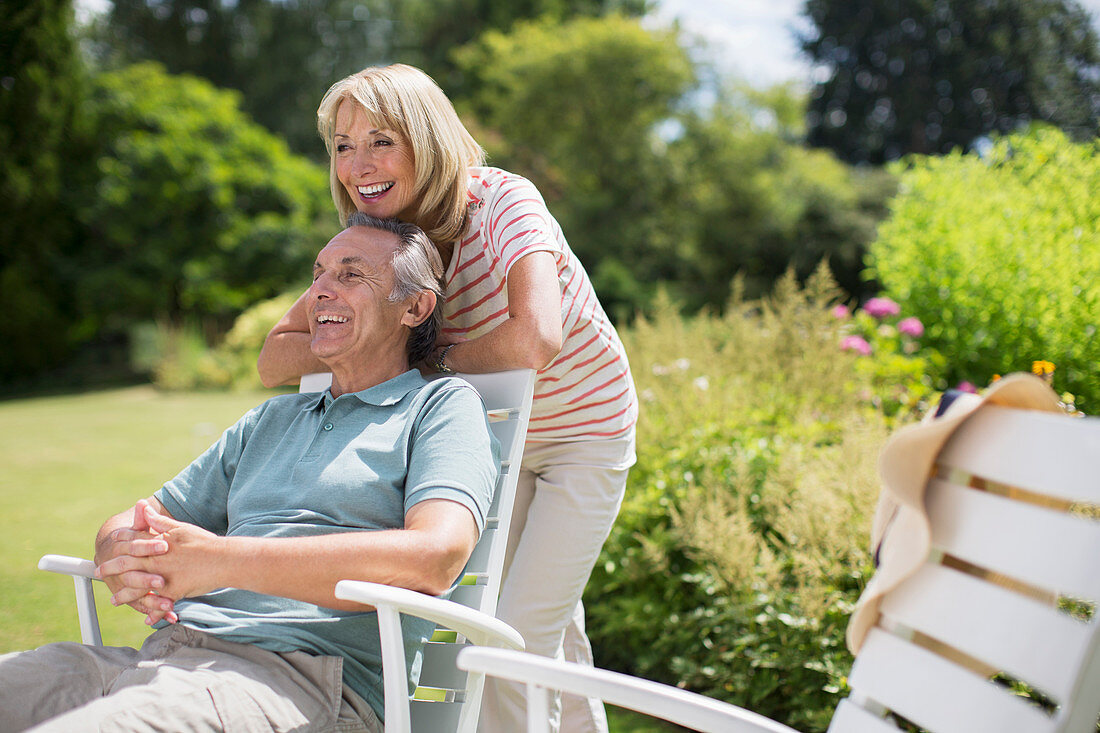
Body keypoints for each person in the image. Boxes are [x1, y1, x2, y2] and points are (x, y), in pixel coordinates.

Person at [0, 215, 500, 732]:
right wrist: (124, 553)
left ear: (415, 307)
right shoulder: (273, 418)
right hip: (160, 660)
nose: (320, 293)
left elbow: (435, 557)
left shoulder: (440, 407)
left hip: (298, 683)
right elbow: (138, 519)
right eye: (317, 275)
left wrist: (217, 562)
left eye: (350, 276)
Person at [257, 63, 638, 733]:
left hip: (584, 430)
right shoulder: (385, 242)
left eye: (380, 140)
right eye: (343, 145)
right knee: (541, 627)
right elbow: (275, 356)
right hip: (497, 438)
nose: (357, 164)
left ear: (426, 139)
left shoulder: (504, 203)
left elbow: (534, 340)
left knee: (505, 640)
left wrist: (414, 354)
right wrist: (354, 334)